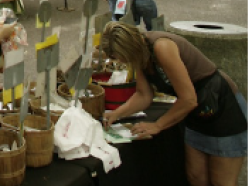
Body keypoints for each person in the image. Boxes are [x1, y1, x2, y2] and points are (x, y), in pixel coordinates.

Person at [101, 22, 247, 186]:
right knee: (196, 177)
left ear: (130, 48)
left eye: (121, 57)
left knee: (222, 182)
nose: (121, 62)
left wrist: (158, 125)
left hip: (222, 108)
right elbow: (144, 94)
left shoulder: (162, 47)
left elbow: (189, 99)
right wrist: (117, 113)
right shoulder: (138, 55)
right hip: (196, 113)